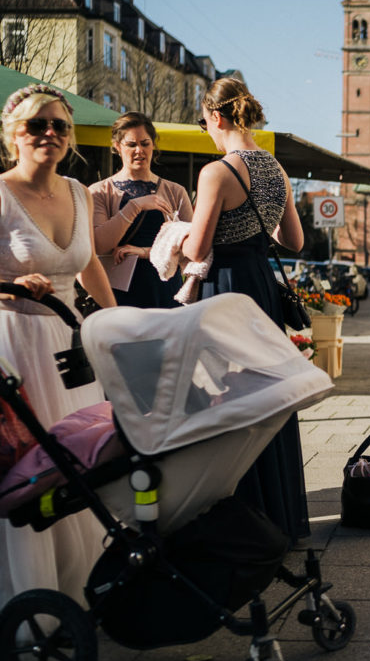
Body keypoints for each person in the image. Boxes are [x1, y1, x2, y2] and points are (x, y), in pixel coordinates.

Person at [0, 84, 117, 610]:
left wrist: (117, 324)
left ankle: (80, 591)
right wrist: (11, 286)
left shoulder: (78, 191)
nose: (49, 134)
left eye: (59, 126)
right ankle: (29, 598)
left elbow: (89, 260)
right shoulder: (0, 193)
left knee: (77, 469)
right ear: (13, 135)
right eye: (36, 125)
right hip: (13, 347)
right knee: (27, 471)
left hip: (70, 351)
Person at [180, 78, 309, 546]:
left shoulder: (217, 173)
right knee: (267, 396)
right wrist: (257, 224)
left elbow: (197, 246)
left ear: (216, 117)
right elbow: (294, 242)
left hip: (226, 290)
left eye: (204, 122)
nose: (207, 132)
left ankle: (242, 520)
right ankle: (283, 514)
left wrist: (175, 234)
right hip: (263, 290)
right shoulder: (277, 169)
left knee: (226, 397)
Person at [90, 111, 193, 308]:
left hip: (164, 291)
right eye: (131, 144)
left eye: (145, 143)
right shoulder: (99, 191)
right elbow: (99, 245)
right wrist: (135, 206)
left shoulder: (176, 192)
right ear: (117, 146)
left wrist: (144, 252)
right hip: (118, 295)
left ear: (153, 144)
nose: (139, 150)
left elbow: (191, 248)